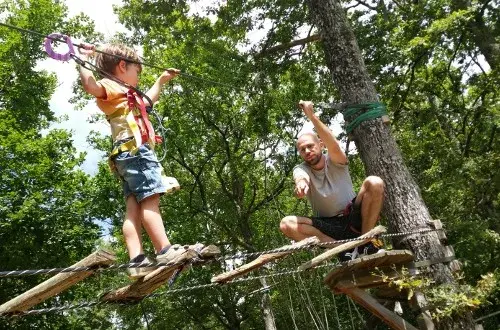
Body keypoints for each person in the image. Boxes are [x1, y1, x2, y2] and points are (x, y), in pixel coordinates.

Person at [77, 43, 188, 278]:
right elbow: (90, 86)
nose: (138, 77)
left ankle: (136, 259)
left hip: (124, 155)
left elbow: (148, 103)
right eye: (137, 71)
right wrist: (81, 58)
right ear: (122, 66)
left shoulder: (128, 96)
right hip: (135, 150)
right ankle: (165, 250)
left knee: (133, 209)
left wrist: (161, 80)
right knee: (150, 199)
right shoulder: (111, 86)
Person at [279, 100, 385, 261]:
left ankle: (366, 243)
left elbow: (334, 145)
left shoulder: (335, 159)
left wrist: (312, 116)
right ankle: (345, 251)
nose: (307, 151)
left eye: (310, 146)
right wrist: (301, 184)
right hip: (329, 227)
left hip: (353, 217)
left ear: (320, 145)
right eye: (302, 150)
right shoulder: (301, 168)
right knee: (286, 224)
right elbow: (301, 177)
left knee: (374, 182)